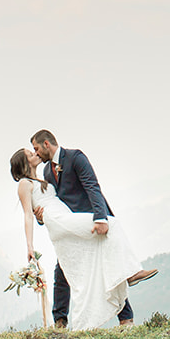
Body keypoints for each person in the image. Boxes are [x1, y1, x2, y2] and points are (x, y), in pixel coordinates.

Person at [23, 129, 156, 328]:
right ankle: (60, 320)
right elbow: (51, 203)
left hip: (91, 223)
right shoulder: (47, 172)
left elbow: (92, 186)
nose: (36, 154)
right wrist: (41, 218)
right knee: (63, 271)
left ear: (46, 144)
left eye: (36, 149)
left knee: (105, 266)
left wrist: (101, 218)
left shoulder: (75, 157)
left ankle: (126, 316)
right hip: (70, 228)